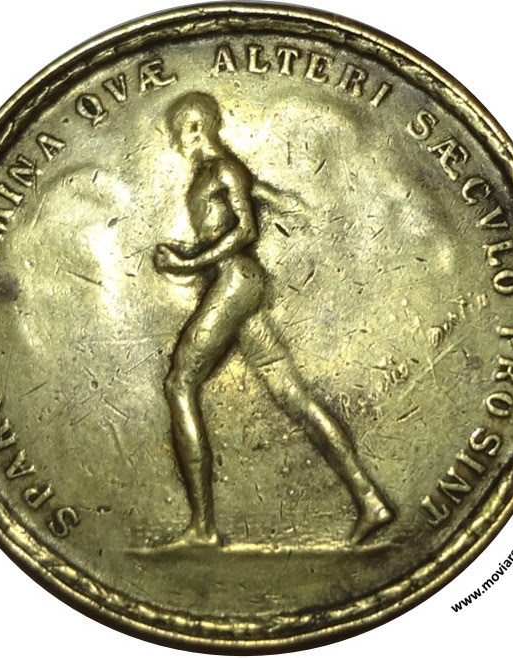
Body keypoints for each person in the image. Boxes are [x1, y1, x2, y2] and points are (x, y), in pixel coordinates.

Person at [154, 91, 392, 546]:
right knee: (292, 396)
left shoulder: (222, 169)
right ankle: (370, 500)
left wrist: (188, 263)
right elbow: (248, 200)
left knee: (179, 383)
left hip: (236, 281)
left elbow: (246, 230)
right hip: (240, 285)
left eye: (176, 131)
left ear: (196, 127)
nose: (173, 141)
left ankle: (203, 527)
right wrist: (278, 200)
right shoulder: (219, 172)